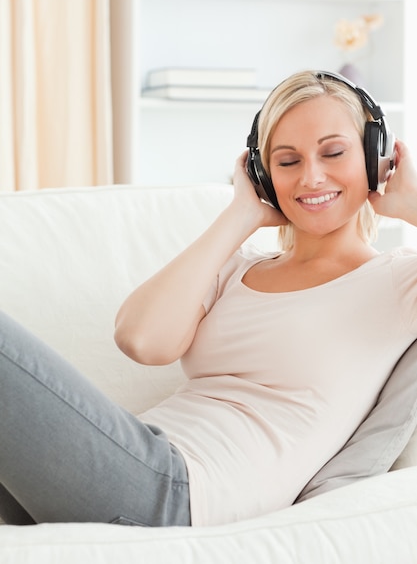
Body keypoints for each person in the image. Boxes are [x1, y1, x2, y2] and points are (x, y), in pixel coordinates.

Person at [1, 69, 417, 527]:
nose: (311, 177)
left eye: (334, 152)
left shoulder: (397, 280)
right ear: (261, 173)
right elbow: (141, 339)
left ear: (376, 156)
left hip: (178, 491)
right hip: (141, 457)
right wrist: (240, 214)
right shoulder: (236, 267)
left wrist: (412, 204)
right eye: (287, 161)